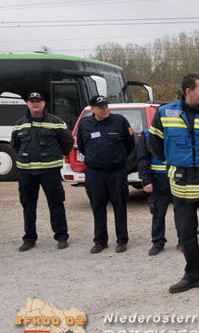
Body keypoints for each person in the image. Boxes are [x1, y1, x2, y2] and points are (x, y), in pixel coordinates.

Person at [148, 72, 199, 307]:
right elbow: (154, 144)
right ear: (188, 91)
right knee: (186, 236)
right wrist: (177, 162)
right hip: (181, 188)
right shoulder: (164, 113)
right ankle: (193, 276)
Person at [11, 92, 74, 251]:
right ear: (27, 104)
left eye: (38, 101)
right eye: (32, 102)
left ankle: (61, 236)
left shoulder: (56, 122)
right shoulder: (20, 124)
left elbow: (68, 141)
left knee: (56, 204)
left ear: (44, 104)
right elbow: (15, 145)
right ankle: (29, 238)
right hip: (26, 172)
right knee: (28, 206)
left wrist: (58, 156)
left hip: (50, 171)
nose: (35, 104)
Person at [76, 95, 135, 254]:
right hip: (95, 173)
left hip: (116, 172)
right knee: (98, 206)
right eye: (101, 107)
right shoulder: (85, 124)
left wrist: (119, 161)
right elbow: (82, 146)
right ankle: (100, 241)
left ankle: (122, 240)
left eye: (106, 106)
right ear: (93, 109)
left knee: (120, 206)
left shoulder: (119, 121)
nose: (105, 109)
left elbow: (130, 144)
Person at [138, 126, 178, 255]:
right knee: (158, 213)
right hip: (157, 180)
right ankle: (158, 242)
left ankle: (184, 240)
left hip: (177, 178)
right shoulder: (148, 133)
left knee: (183, 213)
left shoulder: (177, 130)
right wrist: (146, 180)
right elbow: (142, 158)